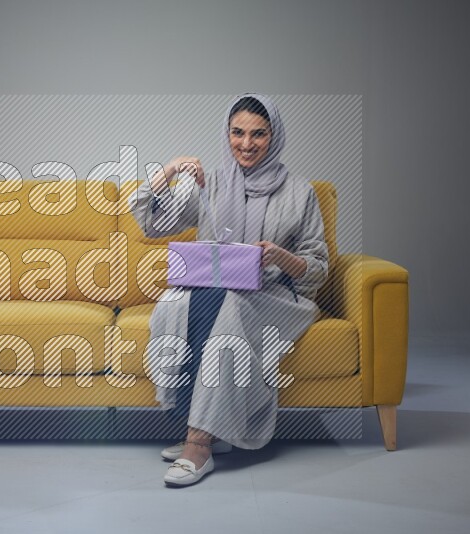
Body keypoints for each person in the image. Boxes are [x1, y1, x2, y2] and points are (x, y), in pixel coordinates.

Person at [126, 93, 329, 487]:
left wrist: (277, 257)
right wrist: (169, 170)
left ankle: (198, 443)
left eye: (259, 134)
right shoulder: (211, 184)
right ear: (227, 133)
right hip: (213, 289)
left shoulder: (299, 192)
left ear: (275, 136)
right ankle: (207, 425)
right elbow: (149, 223)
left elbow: (317, 267)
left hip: (275, 294)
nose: (247, 144)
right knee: (174, 303)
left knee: (231, 307)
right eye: (237, 133)